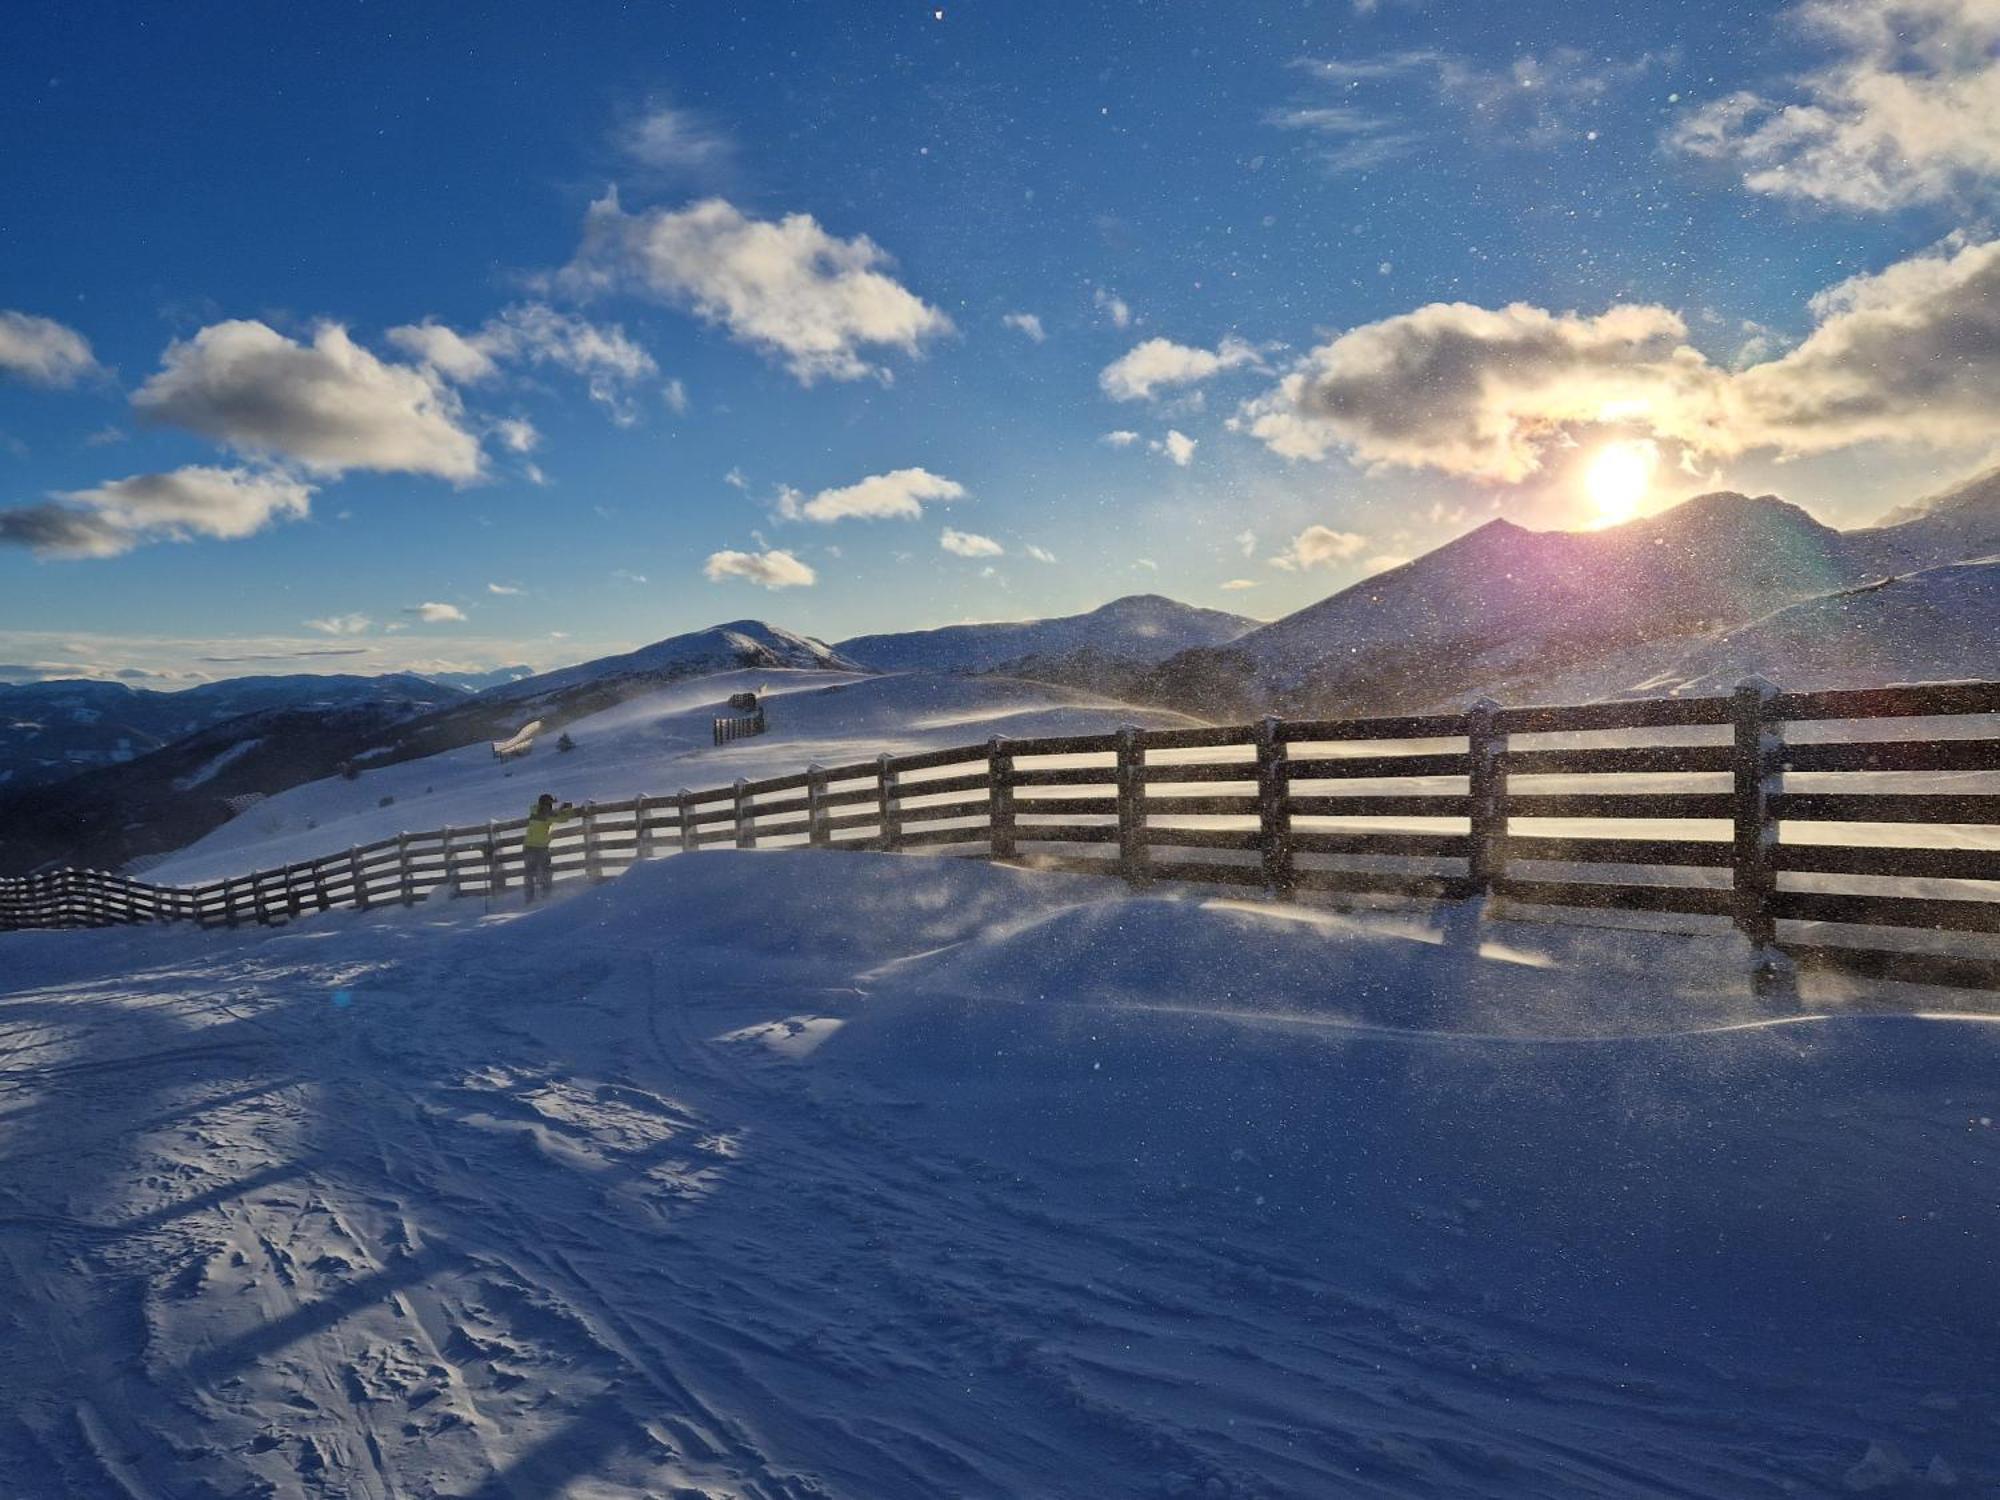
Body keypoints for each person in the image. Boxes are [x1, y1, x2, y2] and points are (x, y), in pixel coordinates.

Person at [521, 793, 577, 903]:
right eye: (550, 804)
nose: (551, 806)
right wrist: (568, 809)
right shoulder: (546, 816)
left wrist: (560, 808)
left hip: (528, 846)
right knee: (546, 871)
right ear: (546, 805)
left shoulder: (534, 810)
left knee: (529, 873)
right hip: (541, 848)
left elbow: (552, 814)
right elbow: (562, 819)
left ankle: (529, 898)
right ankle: (546, 894)